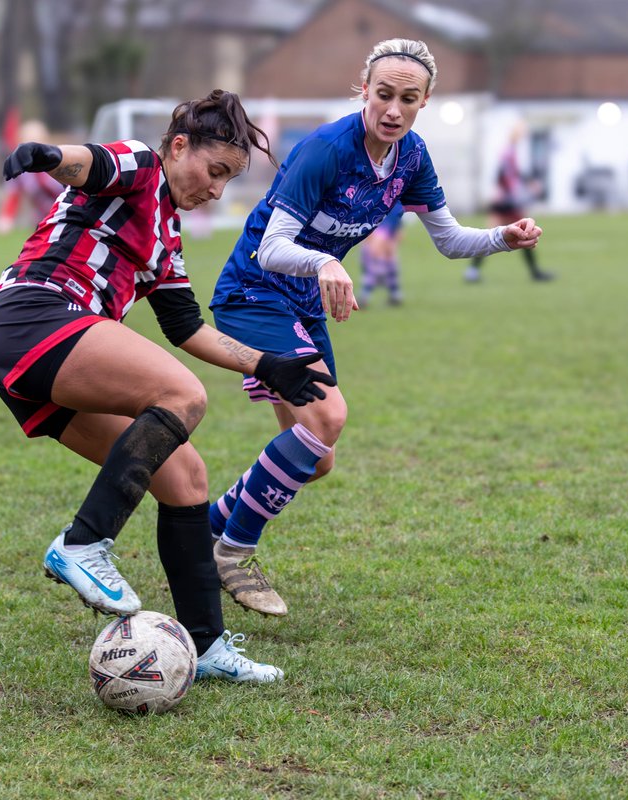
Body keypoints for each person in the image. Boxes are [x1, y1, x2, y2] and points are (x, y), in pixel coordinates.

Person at [0, 90, 336, 682]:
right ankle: (83, 544)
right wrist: (45, 154)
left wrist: (268, 365)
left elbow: (187, 328)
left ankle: (208, 644)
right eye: (214, 170)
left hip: (50, 353)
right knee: (184, 395)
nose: (216, 189)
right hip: (34, 316)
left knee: (185, 475)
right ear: (178, 146)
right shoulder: (142, 166)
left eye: (228, 180)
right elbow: (93, 161)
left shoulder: (167, 237)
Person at [208, 38, 543, 616]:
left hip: (301, 302)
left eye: (407, 99)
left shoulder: (412, 156)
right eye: (383, 94)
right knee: (329, 418)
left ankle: (203, 527)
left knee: (317, 457)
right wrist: (326, 261)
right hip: (254, 292)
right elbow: (271, 248)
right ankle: (232, 552)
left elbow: (448, 240)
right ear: (364, 90)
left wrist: (501, 238)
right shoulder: (325, 149)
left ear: (424, 101)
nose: (392, 109)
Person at [463, 121, 553, 283]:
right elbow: (504, 174)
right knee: (521, 233)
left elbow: (513, 174)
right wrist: (509, 192)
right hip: (506, 202)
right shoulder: (508, 152)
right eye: (521, 132)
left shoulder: (511, 151)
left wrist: (527, 183)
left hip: (506, 200)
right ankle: (535, 272)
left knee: (506, 235)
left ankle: (473, 271)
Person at [0, 120, 64, 233]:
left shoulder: (60, 161)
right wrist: (6, 218)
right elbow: (13, 194)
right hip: (43, 222)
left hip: (69, 216)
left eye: (37, 141)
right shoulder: (21, 171)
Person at [358, 202, 404, 308]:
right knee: (375, 268)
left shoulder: (398, 205)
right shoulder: (377, 201)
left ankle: (395, 295)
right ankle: (365, 296)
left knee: (390, 266)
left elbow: (398, 227)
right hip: (377, 235)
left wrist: (393, 241)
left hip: (387, 235)